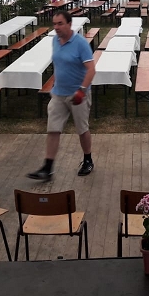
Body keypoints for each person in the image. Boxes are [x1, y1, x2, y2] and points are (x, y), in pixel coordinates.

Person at [28, 11, 96, 181]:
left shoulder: (80, 44)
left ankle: (88, 160)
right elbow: (59, 65)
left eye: (60, 23)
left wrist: (81, 90)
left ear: (69, 24)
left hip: (78, 94)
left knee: (82, 129)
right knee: (53, 129)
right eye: (54, 24)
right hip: (58, 94)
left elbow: (91, 70)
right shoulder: (55, 41)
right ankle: (47, 168)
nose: (56, 27)